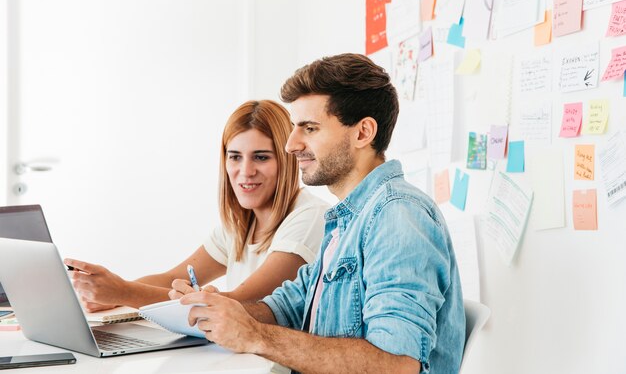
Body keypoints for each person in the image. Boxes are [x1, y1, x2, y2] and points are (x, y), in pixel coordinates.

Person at [175, 54, 465, 374]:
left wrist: (256, 336)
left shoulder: (398, 217)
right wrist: (221, 310)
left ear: (362, 133)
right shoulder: (347, 220)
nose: (291, 145)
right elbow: (285, 306)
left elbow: (396, 364)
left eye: (309, 128)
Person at [64, 100, 328, 311]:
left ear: (287, 160)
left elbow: (239, 304)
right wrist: (108, 293)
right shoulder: (239, 224)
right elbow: (171, 279)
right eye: (235, 157)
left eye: (260, 157)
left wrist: (123, 291)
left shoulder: (309, 217)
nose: (245, 171)